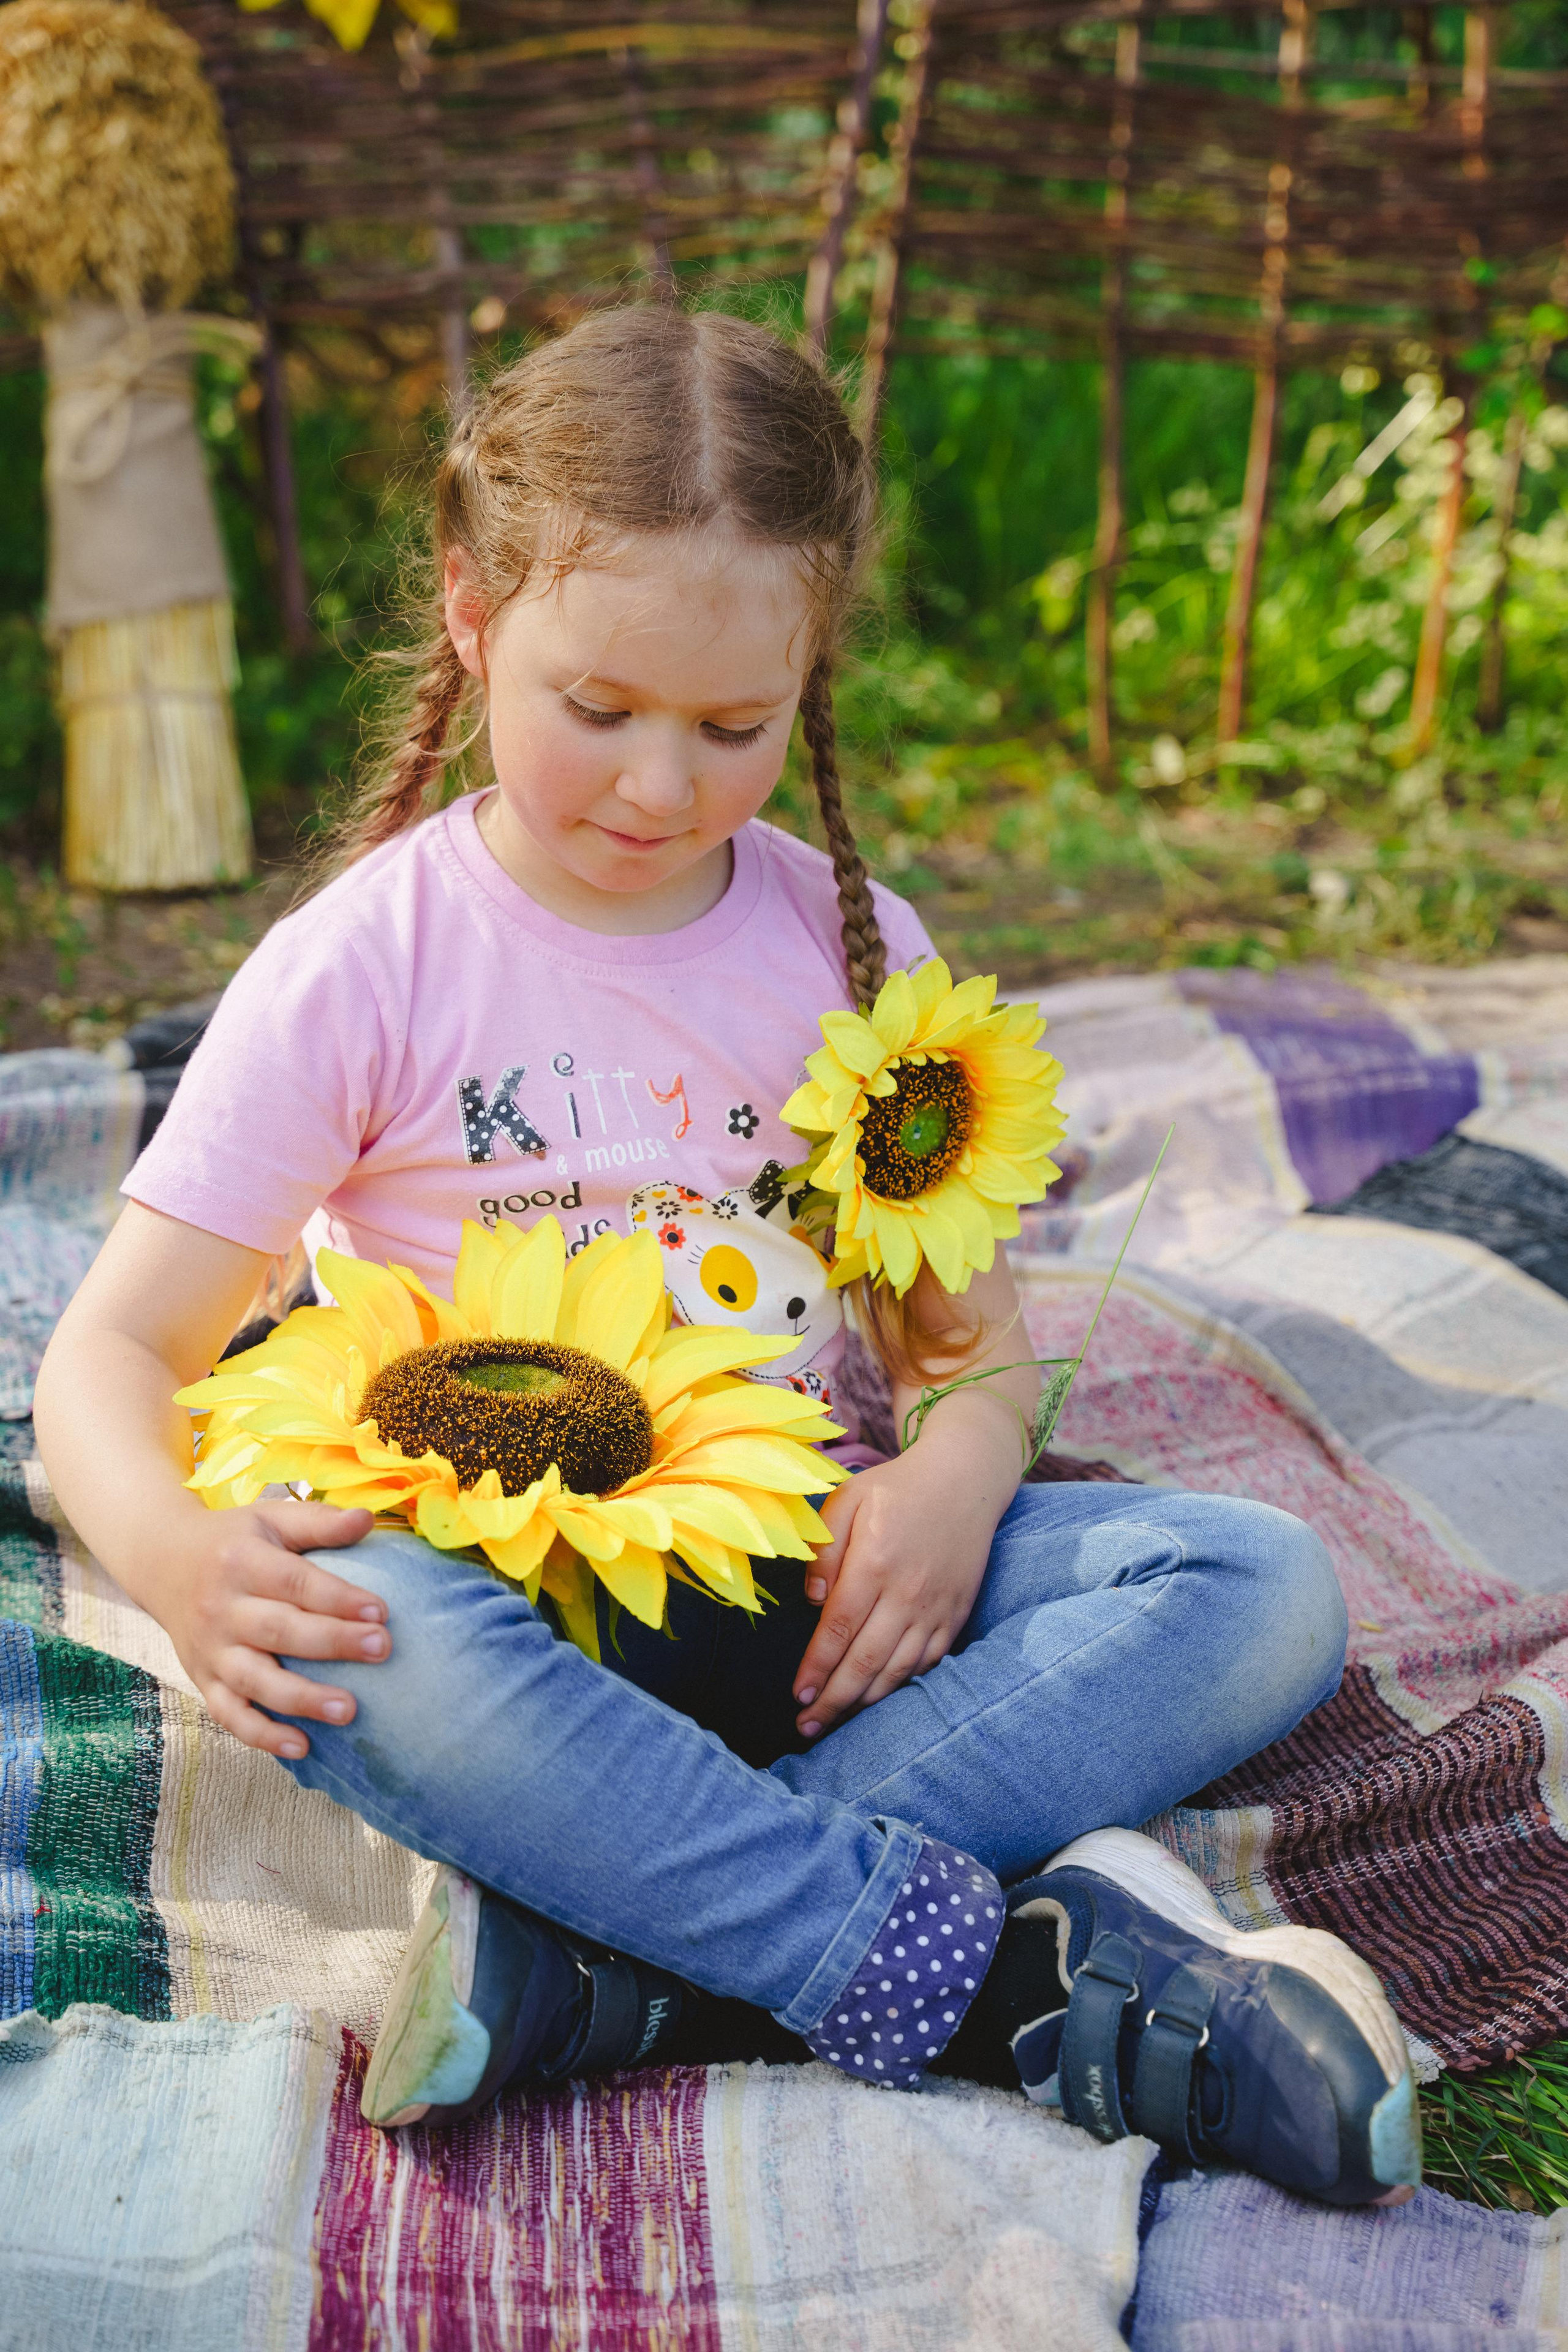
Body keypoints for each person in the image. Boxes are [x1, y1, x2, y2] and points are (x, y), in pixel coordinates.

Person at [34, 306, 1417, 2207]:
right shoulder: (370, 961)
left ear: (809, 671)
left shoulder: (842, 944)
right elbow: (104, 1364)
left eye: (731, 727)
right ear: (467, 611)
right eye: (596, 707)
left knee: (1252, 1585)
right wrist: (186, 1565)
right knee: (353, 1627)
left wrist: (956, 1472)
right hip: (498, 1617)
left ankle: (614, 1959)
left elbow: (972, 1345)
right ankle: (982, 1974)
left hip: (794, 1601)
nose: (661, 787)